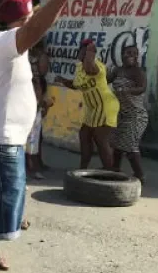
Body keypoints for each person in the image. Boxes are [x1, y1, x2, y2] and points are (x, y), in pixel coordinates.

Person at [0, 0, 97, 273]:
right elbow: (37, 25)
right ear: (21, 23)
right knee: (0, 202)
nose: (36, 28)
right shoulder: (5, 42)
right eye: (30, 20)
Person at [55, 39, 120, 170]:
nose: (83, 54)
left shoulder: (96, 67)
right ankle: (82, 169)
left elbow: (89, 66)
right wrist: (63, 80)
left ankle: (110, 172)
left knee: (101, 139)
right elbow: (77, 84)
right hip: (92, 108)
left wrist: (90, 51)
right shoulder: (79, 67)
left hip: (105, 106)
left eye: (86, 52)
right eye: (82, 51)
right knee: (84, 135)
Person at [109, 45, 149, 181]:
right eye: (128, 53)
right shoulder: (118, 70)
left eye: (135, 53)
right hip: (121, 114)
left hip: (136, 115)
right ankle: (114, 169)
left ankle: (140, 175)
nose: (132, 55)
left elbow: (142, 88)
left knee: (130, 146)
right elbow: (105, 80)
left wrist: (127, 91)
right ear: (122, 55)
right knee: (117, 144)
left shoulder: (138, 72)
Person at [27, 38, 51, 177]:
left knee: (35, 133)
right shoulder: (38, 57)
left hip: (34, 92)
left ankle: (35, 163)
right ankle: (32, 165)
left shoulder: (28, 54)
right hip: (33, 93)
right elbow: (42, 73)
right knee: (33, 134)